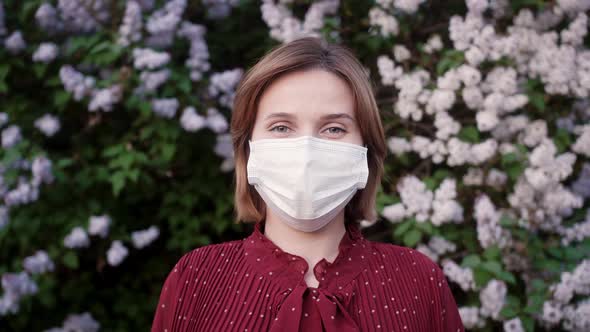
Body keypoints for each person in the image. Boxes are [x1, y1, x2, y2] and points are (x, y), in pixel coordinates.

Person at [151, 36, 465, 332]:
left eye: (333, 129)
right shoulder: (198, 278)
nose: (306, 153)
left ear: (365, 152)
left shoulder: (417, 280)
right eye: (281, 127)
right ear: (248, 151)